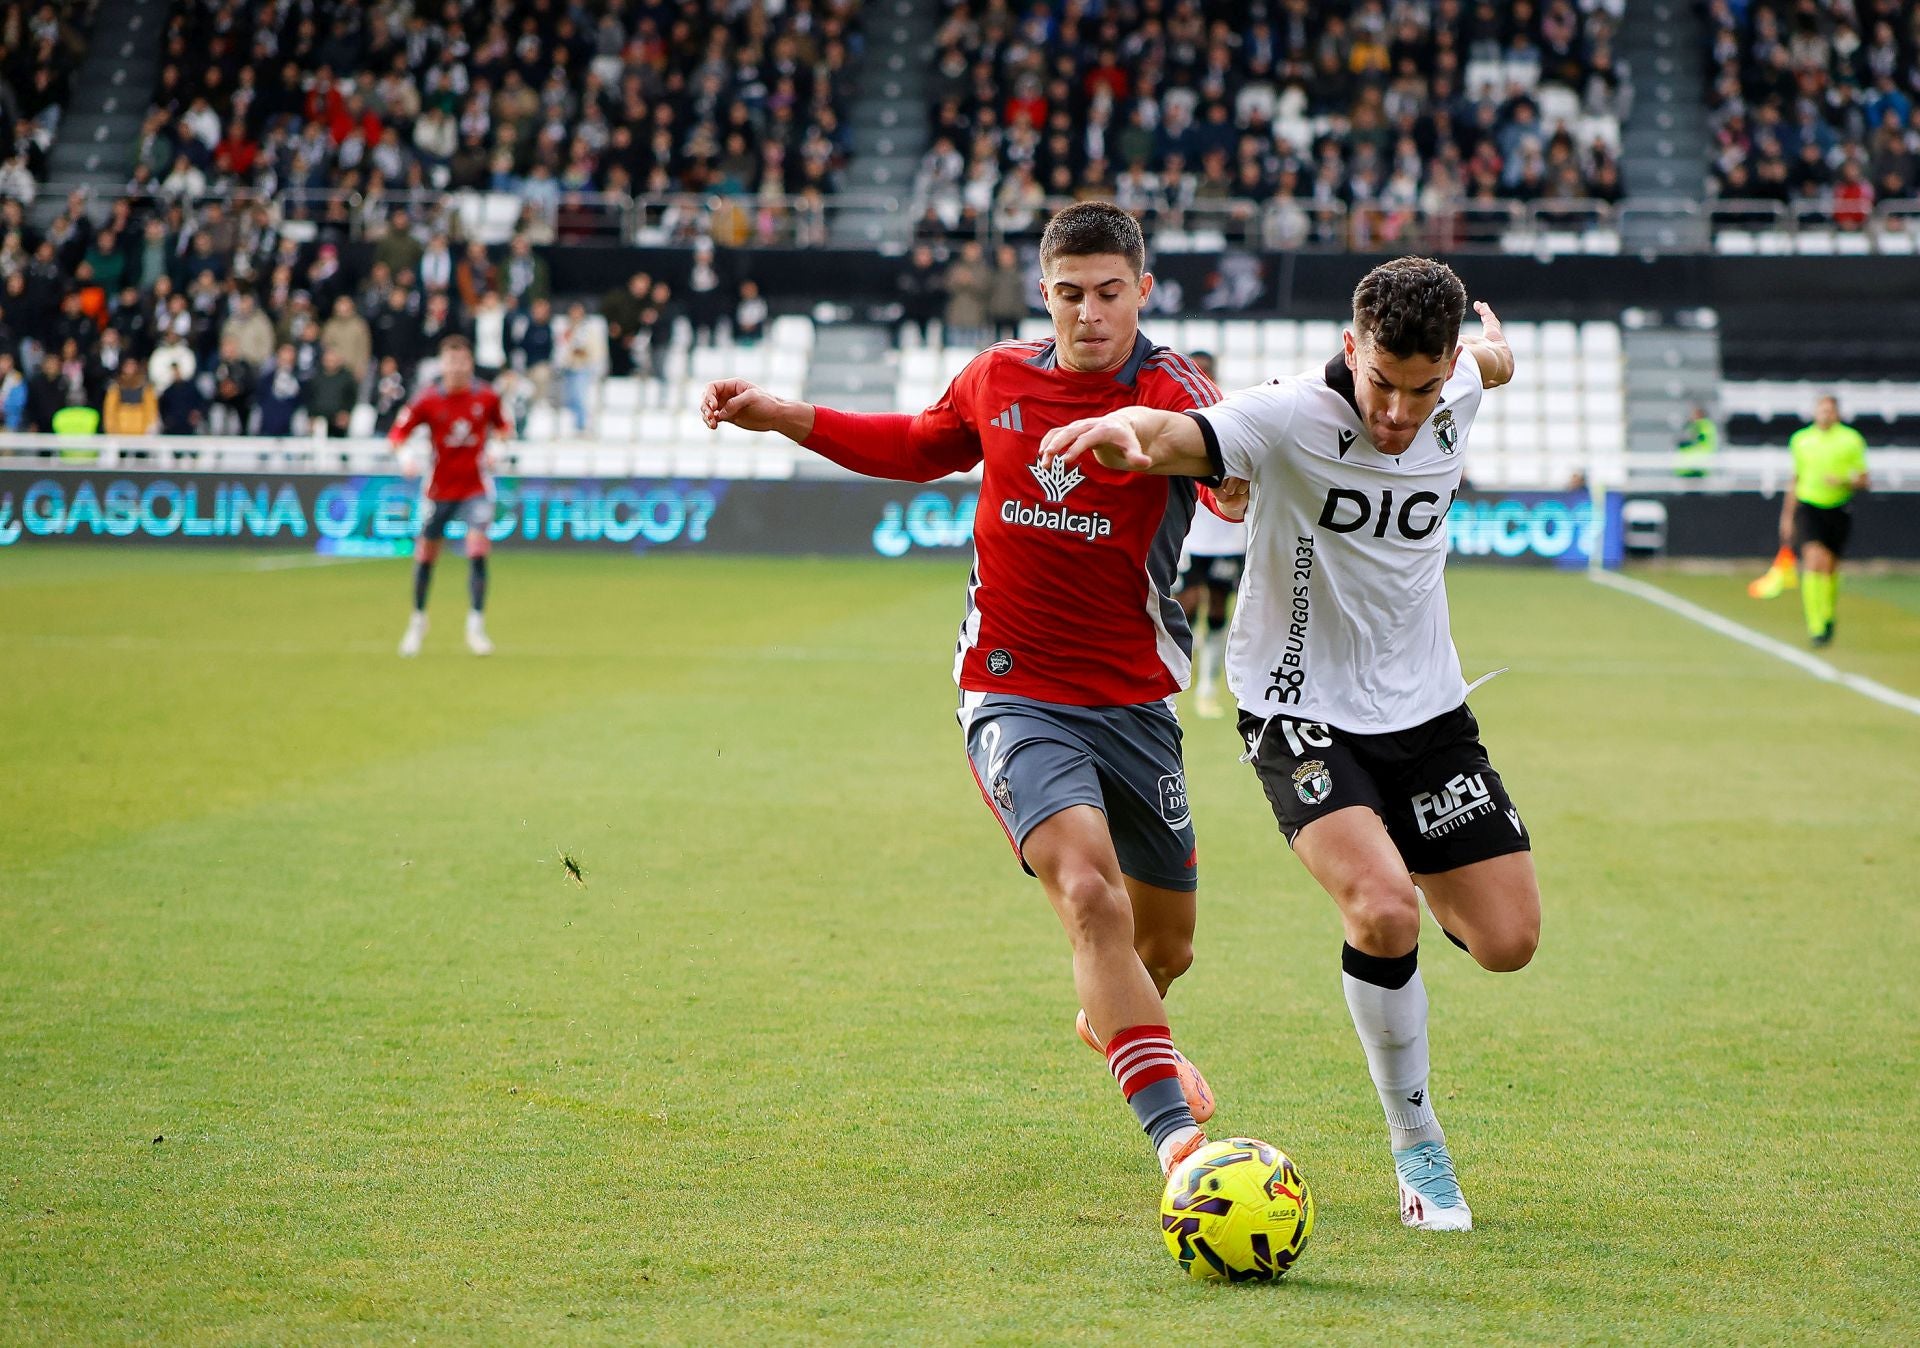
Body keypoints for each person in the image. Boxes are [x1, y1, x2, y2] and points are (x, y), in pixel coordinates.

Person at [703, 202, 1229, 1179]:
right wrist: (777, 414)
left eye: (1111, 293)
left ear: (1143, 292)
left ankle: (1111, 1009)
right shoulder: (999, 379)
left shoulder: (1171, 388)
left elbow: (1224, 469)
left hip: (1135, 702)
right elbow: (912, 445)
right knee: (1088, 893)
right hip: (1012, 686)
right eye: (1070, 294)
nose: (1090, 313)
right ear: (1045, 293)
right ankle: (1182, 1148)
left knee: (1166, 945)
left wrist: (1188, 459)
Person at [1038, 257, 1533, 1231]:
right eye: (1381, 383)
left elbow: (1492, 363)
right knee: (1382, 909)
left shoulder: (1457, 383)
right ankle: (1420, 1151)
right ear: (1351, 350)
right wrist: (1124, 434)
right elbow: (1181, 435)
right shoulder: (1288, 413)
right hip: (1298, 706)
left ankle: (1417, 870)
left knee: (1508, 943)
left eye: (1419, 390)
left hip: (1427, 715)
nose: (1397, 412)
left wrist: (1495, 350)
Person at [389, 334, 511, 658]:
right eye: (450, 361)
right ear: (442, 364)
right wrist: (406, 459)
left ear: (470, 363)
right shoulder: (428, 400)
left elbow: (503, 427)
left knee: (476, 548)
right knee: (427, 554)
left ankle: (476, 626)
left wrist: (496, 449)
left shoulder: (486, 397)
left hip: (475, 487)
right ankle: (417, 621)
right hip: (439, 489)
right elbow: (398, 432)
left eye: (461, 361)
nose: (456, 367)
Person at [1172, 353, 1243, 719]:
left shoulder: (1231, 413)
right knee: (1187, 604)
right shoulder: (1178, 421)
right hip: (1193, 538)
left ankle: (1207, 686)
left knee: (1218, 608)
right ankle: (1175, 678)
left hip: (1229, 538)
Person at [1779, 395, 1869, 646]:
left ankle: (1828, 614)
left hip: (1838, 508)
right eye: (1821, 409)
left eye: (1830, 410)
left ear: (1836, 413)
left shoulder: (1851, 440)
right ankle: (1815, 625)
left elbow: (1864, 479)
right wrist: (1787, 516)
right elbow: (1795, 479)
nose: (1825, 414)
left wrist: (1843, 482)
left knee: (1829, 566)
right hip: (1809, 507)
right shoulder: (1801, 440)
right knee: (1813, 559)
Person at [1676, 404, 1717, 478]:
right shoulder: (1708, 425)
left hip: (1694, 465)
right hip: (1698, 464)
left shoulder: (1701, 425)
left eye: (1693, 414)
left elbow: (1695, 440)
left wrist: (1683, 444)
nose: (1691, 416)